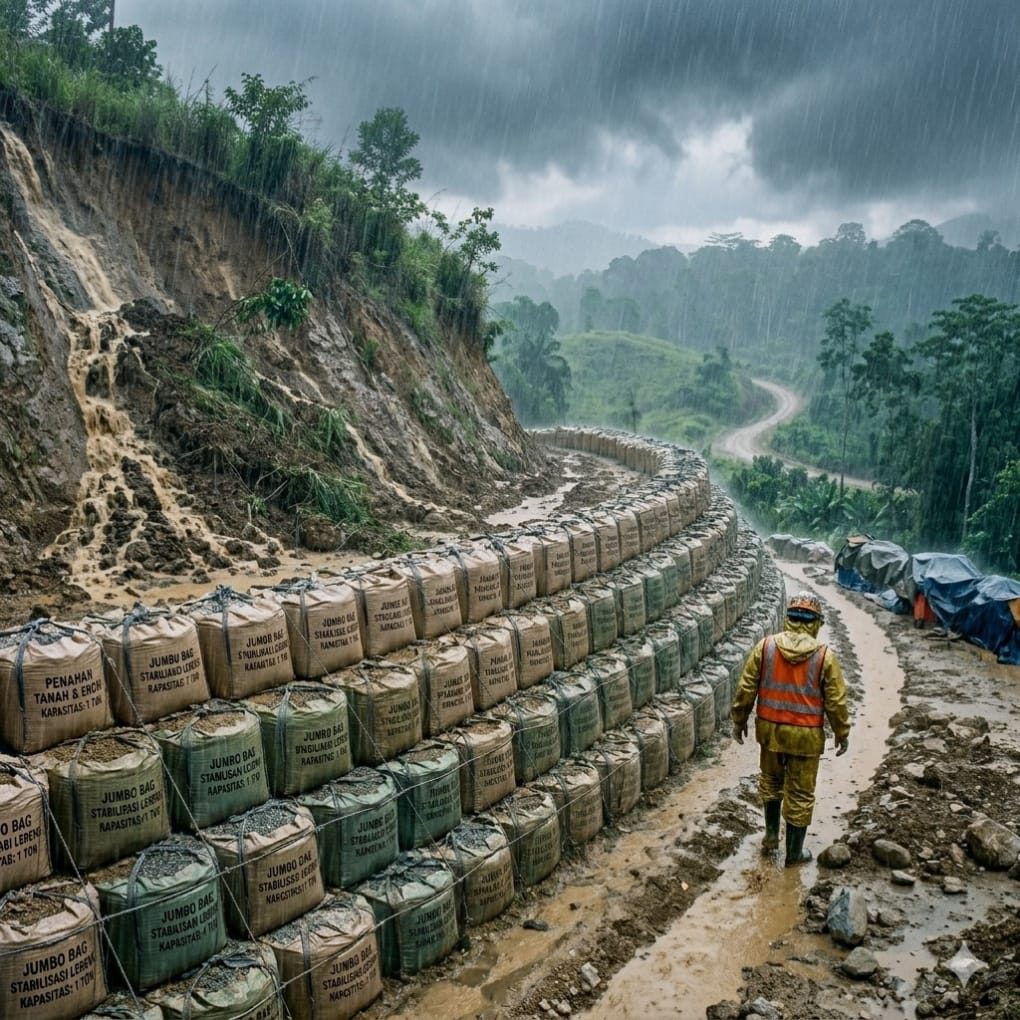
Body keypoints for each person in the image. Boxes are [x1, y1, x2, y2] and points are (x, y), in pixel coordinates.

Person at [731, 590, 851, 867]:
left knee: (771, 783)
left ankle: (771, 836)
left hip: (770, 732)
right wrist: (842, 733)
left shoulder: (766, 647)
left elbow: (746, 687)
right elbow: (836, 702)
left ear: (789, 619)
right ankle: (794, 853)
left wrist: (739, 720)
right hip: (806, 738)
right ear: (816, 623)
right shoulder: (825, 657)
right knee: (800, 794)